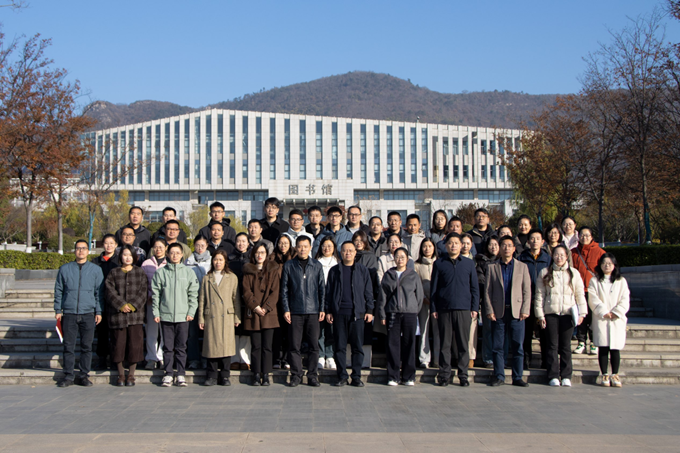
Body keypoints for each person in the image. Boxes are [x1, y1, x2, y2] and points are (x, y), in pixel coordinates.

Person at [431, 233, 480, 387]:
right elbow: (434, 289)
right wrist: (434, 308)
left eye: (456, 243)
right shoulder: (439, 263)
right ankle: (444, 375)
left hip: (464, 309)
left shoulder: (469, 264)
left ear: (461, 245)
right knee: (445, 344)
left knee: (463, 344)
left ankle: (463, 375)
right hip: (444, 309)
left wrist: (474, 307)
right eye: (450, 243)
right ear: (446, 245)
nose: (453, 246)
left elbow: (474, 288)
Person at [54, 240, 104, 387]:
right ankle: (68, 375)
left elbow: (99, 293)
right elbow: (59, 290)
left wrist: (99, 311)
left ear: (88, 251)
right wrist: (58, 310)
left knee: (86, 346)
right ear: (74, 251)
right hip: (69, 312)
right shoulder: (65, 269)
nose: (81, 251)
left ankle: (84, 375)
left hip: (88, 313)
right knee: (68, 346)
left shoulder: (96, 270)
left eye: (84, 248)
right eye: (78, 248)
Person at [535, 245, 587, 387]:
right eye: (556, 255)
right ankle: (552, 375)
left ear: (566, 257)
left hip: (567, 314)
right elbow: (540, 295)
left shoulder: (574, 273)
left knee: (565, 346)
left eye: (562, 255)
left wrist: (582, 313)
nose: (559, 258)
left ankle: (566, 375)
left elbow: (579, 294)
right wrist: (540, 315)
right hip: (550, 313)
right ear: (552, 256)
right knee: (552, 345)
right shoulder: (545, 272)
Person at [484, 236, 532, 387]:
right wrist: (489, 310)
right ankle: (499, 375)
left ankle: (517, 376)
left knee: (518, 346)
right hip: (498, 312)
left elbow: (527, 290)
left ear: (514, 248)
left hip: (517, 312)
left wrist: (525, 309)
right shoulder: (492, 267)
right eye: (503, 245)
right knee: (498, 346)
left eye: (509, 245)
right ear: (499, 248)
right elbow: (487, 291)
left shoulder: (522, 267)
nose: (506, 248)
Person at [326, 241, 375, 387]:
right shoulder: (334, 271)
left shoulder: (362, 270)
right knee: (339, 347)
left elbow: (368, 291)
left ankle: (356, 376)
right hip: (339, 313)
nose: (347, 253)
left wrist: (369, 310)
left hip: (357, 314)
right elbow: (329, 293)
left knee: (357, 347)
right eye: (345, 250)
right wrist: (328, 310)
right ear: (340, 252)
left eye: (350, 250)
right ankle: (342, 376)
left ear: (355, 253)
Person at [151, 243, 200, 387]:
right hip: (165, 315)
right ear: (167, 254)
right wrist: (156, 312)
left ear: (182, 255)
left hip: (183, 316)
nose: (175, 255)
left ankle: (180, 373)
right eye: (172, 252)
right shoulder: (161, 273)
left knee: (181, 347)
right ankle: (168, 373)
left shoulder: (188, 273)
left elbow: (193, 294)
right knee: (168, 347)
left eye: (177, 253)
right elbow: (156, 294)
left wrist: (191, 312)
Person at [281, 236, 326, 387]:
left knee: (314, 345)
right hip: (295, 311)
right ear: (296, 247)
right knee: (294, 345)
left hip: (313, 311)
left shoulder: (317, 265)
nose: (302, 249)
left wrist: (322, 308)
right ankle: (296, 375)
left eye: (305, 246)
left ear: (310, 247)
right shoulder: (289, 265)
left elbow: (322, 289)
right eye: (300, 246)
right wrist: (286, 309)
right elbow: (284, 289)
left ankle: (312, 375)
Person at [379, 247, 424, 386]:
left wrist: (414, 309)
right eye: (397, 256)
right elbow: (382, 296)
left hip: (410, 313)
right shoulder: (388, 275)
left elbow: (419, 296)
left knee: (409, 343)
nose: (400, 259)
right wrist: (382, 314)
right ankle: (393, 376)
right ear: (394, 258)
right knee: (393, 343)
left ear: (407, 259)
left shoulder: (413, 275)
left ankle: (409, 376)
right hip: (393, 312)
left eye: (402, 257)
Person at [104, 245, 148, 387]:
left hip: (135, 316)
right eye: (125, 255)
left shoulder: (139, 272)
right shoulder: (114, 272)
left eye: (130, 255)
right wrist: (121, 305)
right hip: (118, 316)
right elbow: (109, 291)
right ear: (120, 256)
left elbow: (143, 291)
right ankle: (121, 374)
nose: (127, 258)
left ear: (134, 257)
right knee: (118, 344)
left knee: (134, 344)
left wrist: (133, 305)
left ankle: (131, 375)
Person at [197, 250, 241, 386]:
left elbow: (236, 299)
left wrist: (237, 317)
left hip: (227, 315)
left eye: (221, 260)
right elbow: (202, 299)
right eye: (216, 259)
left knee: (226, 347)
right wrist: (201, 318)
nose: (218, 262)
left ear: (225, 261)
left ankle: (225, 375)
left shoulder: (232, 277)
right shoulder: (207, 278)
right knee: (212, 346)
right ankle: (211, 375)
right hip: (211, 315)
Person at [588, 253, 630, 388]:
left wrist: (616, 312)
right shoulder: (594, 281)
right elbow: (593, 298)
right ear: (600, 265)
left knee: (615, 348)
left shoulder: (621, 281)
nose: (607, 266)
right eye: (604, 263)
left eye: (610, 263)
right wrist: (604, 312)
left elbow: (625, 298)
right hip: (602, 318)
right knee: (603, 347)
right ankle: (605, 374)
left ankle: (615, 374)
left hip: (616, 319)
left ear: (614, 265)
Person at [242, 244, 281, 386]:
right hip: (254, 313)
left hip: (269, 313)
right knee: (256, 346)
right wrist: (255, 306)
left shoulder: (273, 270)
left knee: (267, 347)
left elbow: (275, 291)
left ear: (267, 254)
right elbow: (246, 292)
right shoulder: (248, 271)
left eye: (263, 252)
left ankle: (266, 374)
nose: (260, 255)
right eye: (257, 252)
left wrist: (266, 307)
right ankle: (256, 374)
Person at [518, 229, 552, 370]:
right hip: (526, 300)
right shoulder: (522, 258)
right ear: (528, 241)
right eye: (532, 238)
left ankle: (545, 361)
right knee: (526, 334)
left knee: (544, 333)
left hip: (543, 301)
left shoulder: (548, 259)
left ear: (543, 241)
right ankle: (526, 361)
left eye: (538, 238)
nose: (535, 241)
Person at [572, 226, 605, 356]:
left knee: (593, 318)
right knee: (581, 317)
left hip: (593, 291)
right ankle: (581, 342)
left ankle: (593, 342)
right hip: (578, 291)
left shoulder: (600, 252)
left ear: (591, 237)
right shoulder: (573, 252)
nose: (584, 237)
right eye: (581, 235)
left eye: (587, 235)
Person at [352, 230, 380, 369]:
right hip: (349, 300)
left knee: (365, 332)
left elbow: (373, 281)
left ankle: (364, 361)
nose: (358, 243)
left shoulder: (371, 257)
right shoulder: (348, 255)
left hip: (364, 300)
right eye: (356, 240)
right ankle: (350, 360)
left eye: (361, 240)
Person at [92, 234, 119, 370]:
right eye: (106, 243)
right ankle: (102, 359)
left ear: (116, 245)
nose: (109, 246)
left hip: (116, 301)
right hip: (101, 300)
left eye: (111, 243)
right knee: (102, 332)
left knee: (115, 333)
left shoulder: (119, 260)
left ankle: (115, 359)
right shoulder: (95, 262)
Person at [141, 239, 168, 370]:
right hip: (150, 302)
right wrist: (148, 296)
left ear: (166, 248)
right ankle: (151, 358)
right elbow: (142, 283)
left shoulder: (169, 262)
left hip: (166, 303)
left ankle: (161, 357)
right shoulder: (146, 263)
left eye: (161, 247)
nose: (158, 249)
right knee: (151, 332)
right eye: (156, 247)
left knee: (165, 332)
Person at [227, 232, 252, 371]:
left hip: (247, 299)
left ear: (248, 243)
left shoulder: (252, 258)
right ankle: (234, 359)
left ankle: (245, 359)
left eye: (244, 241)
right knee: (234, 330)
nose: (241, 244)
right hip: (232, 299)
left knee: (246, 330)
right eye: (238, 241)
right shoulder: (229, 259)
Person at [270, 233, 295, 370]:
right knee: (277, 331)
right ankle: (277, 358)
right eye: (280, 243)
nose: (283, 246)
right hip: (276, 300)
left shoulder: (295, 259)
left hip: (291, 299)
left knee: (290, 331)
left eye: (286, 243)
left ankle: (287, 358)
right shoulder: (272, 259)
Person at [315, 235, 339, 371]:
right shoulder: (315, 263)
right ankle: (320, 355)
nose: (326, 248)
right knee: (319, 329)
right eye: (324, 246)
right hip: (318, 300)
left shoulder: (338, 263)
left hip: (333, 300)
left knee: (331, 328)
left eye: (329, 246)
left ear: (334, 247)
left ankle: (330, 355)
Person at [475, 236, 500, 369]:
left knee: (501, 330)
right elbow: (481, 281)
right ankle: (488, 358)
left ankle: (500, 357)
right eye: (491, 244)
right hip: (488, 300)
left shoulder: (503, 262)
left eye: (496, 244)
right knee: (488, 330)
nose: (493, 247)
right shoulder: (481, 262)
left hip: (502, 301)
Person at [414, 238, 439, 369]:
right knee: (424, 330)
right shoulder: (417, 265)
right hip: (423, 302)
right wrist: (423, 297)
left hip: (438, 303)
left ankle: (437, 359)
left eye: (430, 246)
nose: (427, 249)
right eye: (424, 246)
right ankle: (424, 359)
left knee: (437, 331)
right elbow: (416, 284)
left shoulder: (439, 263)